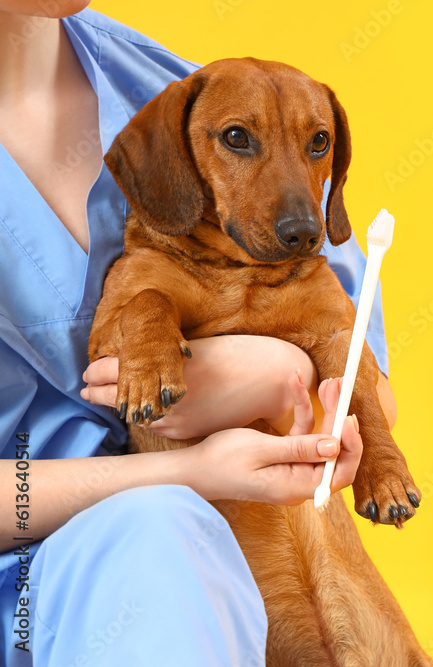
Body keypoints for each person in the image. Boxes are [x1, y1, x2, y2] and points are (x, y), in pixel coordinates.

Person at [0, 2, 395, 664]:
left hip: (233, 603)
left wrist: (272, 375)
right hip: (58, 601)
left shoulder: (200, 94)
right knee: (157, 533)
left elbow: (366, 410)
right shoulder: (199, 115)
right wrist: (180, 472)